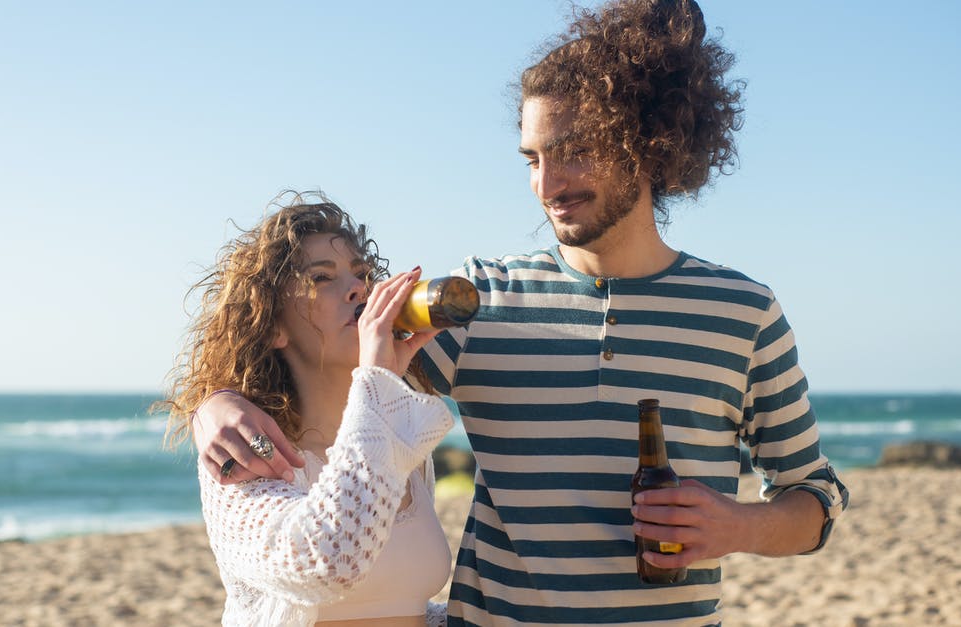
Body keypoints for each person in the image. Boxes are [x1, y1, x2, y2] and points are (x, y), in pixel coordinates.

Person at [192, 1, 850, 624]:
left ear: (649, 144)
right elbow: (326, 357)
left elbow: (812, 497)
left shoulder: (745, 312)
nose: (547, 183)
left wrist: (739, 525)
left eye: (575, 149)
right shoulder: (479, 301)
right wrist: (215, 405)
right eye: (533, 158)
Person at [160, 192, 456, 626]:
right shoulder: (246, 455)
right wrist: (377, 380)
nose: (358, 288)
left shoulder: (404, 451)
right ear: (274, 325)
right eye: (321, 278)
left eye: (361, 274)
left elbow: (401, 606)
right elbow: (329, 562)